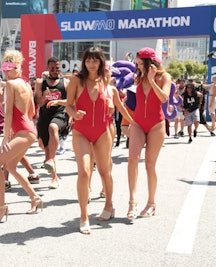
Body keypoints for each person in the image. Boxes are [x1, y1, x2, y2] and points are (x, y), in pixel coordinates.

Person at [0, 50, 43, 223]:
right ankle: (35, 198)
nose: (6, 71)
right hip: (27, 130)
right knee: (10, 166)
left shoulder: (11, 84)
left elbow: (10, 112)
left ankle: (1, 207)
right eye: (4, 68)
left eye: (9, 68)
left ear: (18, 67)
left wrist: (5, 137)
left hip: (24, 131)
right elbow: (32, 111)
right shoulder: (25, 84)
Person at [66, 47, 115, 235]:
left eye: (95, 60)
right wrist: (74, 113)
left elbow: (109, 102)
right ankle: (84, 216)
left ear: (101, 62)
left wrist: (110, 104)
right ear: (84, 62)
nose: (91, 64)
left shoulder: (105, 80)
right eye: (88, 60)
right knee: (84, 172)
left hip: (102, 131)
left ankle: (109, 205)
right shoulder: (76, 81)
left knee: (105, 171)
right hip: (81, 132)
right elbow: (68, 105)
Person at [127, 47, 171, 221]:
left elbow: (164, 98)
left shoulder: (164, 77)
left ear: (148, 62)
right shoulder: (138, 77)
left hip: (156, 125)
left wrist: (152, 81)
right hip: (138, 122)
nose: (137, 67)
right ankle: (132, 201)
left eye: (139, 63)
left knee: (150, 165)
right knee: (132, 159)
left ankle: (151, 203)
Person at [35, 57, 70, 189]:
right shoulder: (40, 82)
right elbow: (39, 103)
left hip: (60, 114)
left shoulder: (65, 82)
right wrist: (43, 97)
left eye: (57, 68)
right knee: (46, 149)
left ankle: (50, 159)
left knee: (53, 127)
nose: (55, 71)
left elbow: (71, 102)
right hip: (44, 116)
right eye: (52, 69)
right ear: (47, 68)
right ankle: (54, 177)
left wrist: (71, 117)